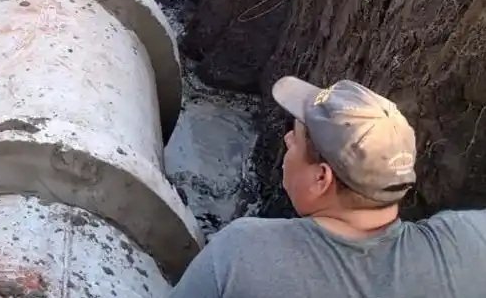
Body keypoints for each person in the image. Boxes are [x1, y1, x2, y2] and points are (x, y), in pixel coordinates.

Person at [170, 76, 486, 298]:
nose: (288, 139)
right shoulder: (471, 241)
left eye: (297, 136)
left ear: (322, 178)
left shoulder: (239, 255)